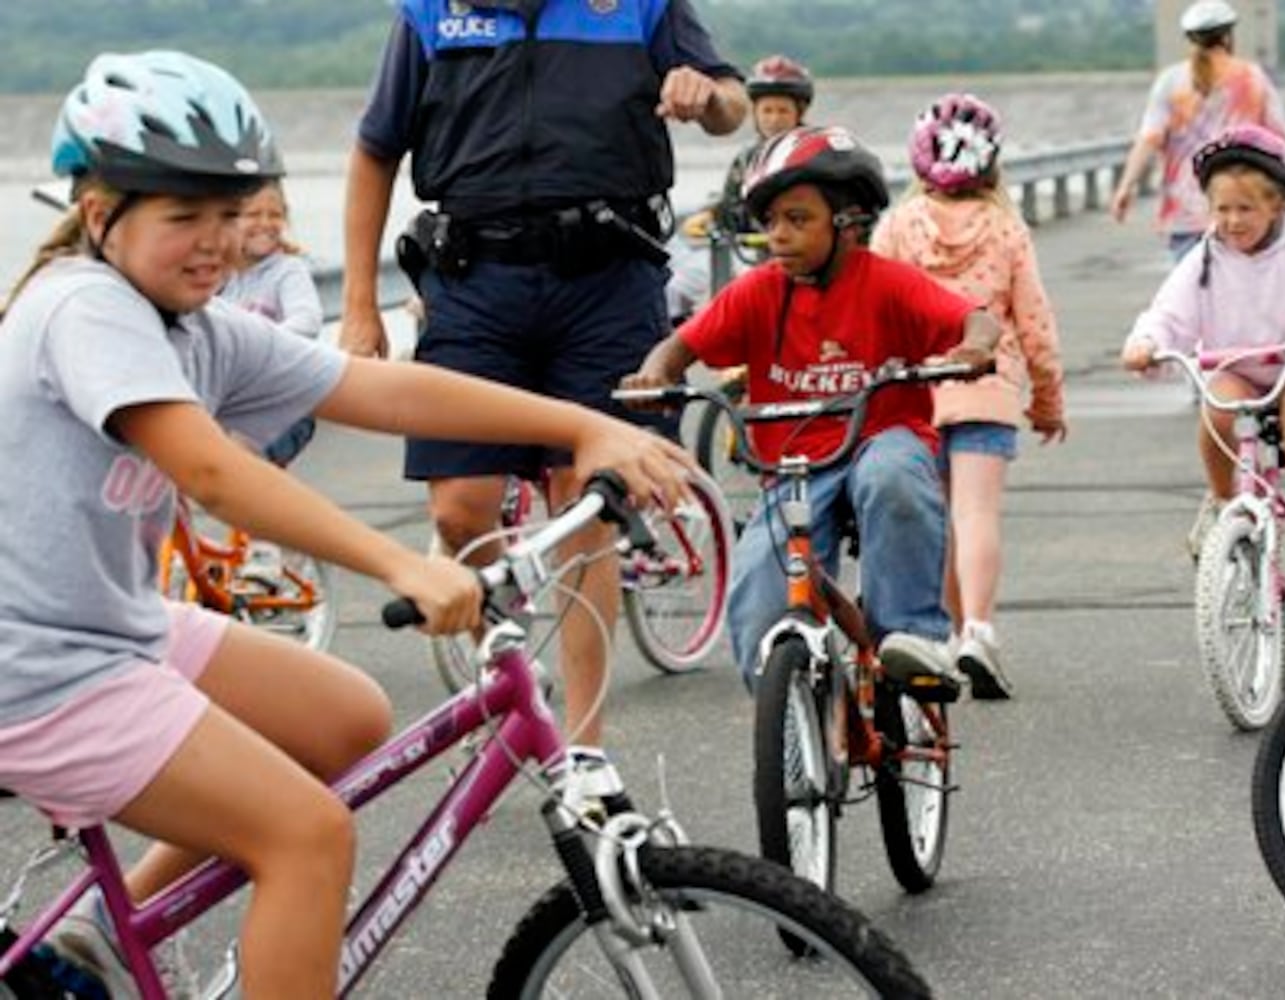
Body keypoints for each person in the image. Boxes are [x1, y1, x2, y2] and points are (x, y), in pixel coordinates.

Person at [0, 50, 693, 998]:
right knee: (305, 835)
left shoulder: (194, 327)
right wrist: (396, 565)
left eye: (232, 216)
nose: (216, 242)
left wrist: (584, 425)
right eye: (183, 217)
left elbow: (378, 387)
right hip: (34, 668)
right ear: (98, 216)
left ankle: (92, 935)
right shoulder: (85, 305)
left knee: (348, 719)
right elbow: (212, 471)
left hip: (111, 629)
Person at [337, 0, 747, 789]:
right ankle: (510, 660)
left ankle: (584, 750)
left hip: (607, 277)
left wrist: (707, 93)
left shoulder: (636, 5)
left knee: (584, 502)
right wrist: (360, 305)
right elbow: (374, 149)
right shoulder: (430, 10)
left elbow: (730, 105)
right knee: (459, 507)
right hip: (473, 281)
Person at [622, 125, 1001, 697]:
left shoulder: (889, 284)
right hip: (795, 464)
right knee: (757, 585)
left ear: (848, 224)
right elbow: (680, 347)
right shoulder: (757, 292)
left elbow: (978, 318)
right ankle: (796, 715)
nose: (778, 236)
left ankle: (913, 638)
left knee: (893, 479)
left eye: (798, 220)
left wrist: (972, 347)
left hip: (881, 436)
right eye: (770, 222)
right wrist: (657, 372)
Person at [1120, 125, 1285, 614]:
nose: (1232, 221)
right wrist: (1146, 342)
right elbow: (1170, 311)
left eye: (1246, 209)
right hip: (1236, 363)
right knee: (1216, 417)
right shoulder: (1206, 256)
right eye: (1222, 209)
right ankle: (1219, 501)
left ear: (1278, 205)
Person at [870, 93, 1066, 700]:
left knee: (938, 521)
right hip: (988, 387)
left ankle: (950, 635)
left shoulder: (899, 226)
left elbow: (873, 306)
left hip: (916, 392)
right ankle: (979, 630)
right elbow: (1033, 321)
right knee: (976, 514)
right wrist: (1048, 398)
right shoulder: (1007, 229)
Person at [1109, 0, 1285, 263]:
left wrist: (1126, 186)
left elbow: (1149, 138)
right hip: (1242, 213)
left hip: (1185, 215)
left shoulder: (1171, 82)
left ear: (1190, 39)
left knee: (1189, 299)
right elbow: (1281, 142)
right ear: (1228, 36)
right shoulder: (1254, 79)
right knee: (1240, 297)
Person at [670, 54, 815, 323]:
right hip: (750, 257)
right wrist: (712, 214)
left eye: (782, 111)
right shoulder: (746, 159)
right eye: (767, 111)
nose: (774, 119)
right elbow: (732, 204)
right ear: (755, 113)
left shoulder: (815, 155)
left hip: (801, 261)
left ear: (799, 113)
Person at [220, 179, 323, 467]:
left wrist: (256, 344)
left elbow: (307, 320)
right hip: (231, 402)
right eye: (253, 214)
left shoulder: (289, 270)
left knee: (245, 465)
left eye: (274, 215)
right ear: (228, 219)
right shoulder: (217, 277)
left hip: (284, 403)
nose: (265, 223)